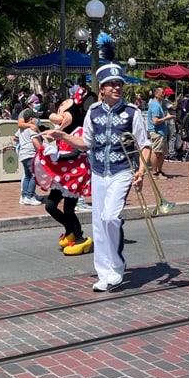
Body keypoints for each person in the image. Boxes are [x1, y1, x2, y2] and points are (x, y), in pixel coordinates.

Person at [45, 64, 150, 291]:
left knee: (111, 217)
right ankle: (104, 273)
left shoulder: (132, 112)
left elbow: (145, 145)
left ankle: (117, 266)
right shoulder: (93, 112)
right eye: (112, 84)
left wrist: (141, 172)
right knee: (99, 222)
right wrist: (62, 134)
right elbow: (86, 144)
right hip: (98, 172)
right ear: (101, 89)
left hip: (122, 171)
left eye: (119, 84)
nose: (117, 87)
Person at [34, 85, 93, 255]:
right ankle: (70, 231)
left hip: (75, 174)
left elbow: (76, 151)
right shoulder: (65, 130)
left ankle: (80, 238)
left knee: (68, 208)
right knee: (50, 205)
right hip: (63, 175)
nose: (60, 116)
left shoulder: (80, 130)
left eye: (64, 113)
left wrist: (57, 156)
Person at [147, 86, 175, 179]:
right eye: (162, 92)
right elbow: (155, 121)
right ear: (156, 94)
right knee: (156, 152)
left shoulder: (160, 104)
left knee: (162, 152)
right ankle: (154, 173)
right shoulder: (155, 105)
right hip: (157, 132)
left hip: (162, 131)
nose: (163, 94)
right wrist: (166, 118)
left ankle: (159, 170)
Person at [17, 108, 42, 206]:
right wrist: (41, 151)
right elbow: (35, 141)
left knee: (27, 176)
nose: (37, 119)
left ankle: (24, 196)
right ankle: (29, 196)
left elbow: (15, 138)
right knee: (34, 176)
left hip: (23, 154)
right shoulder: (31, 129)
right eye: (35, 118)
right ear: (31, 119)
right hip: (31, 154)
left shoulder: (21, 130)